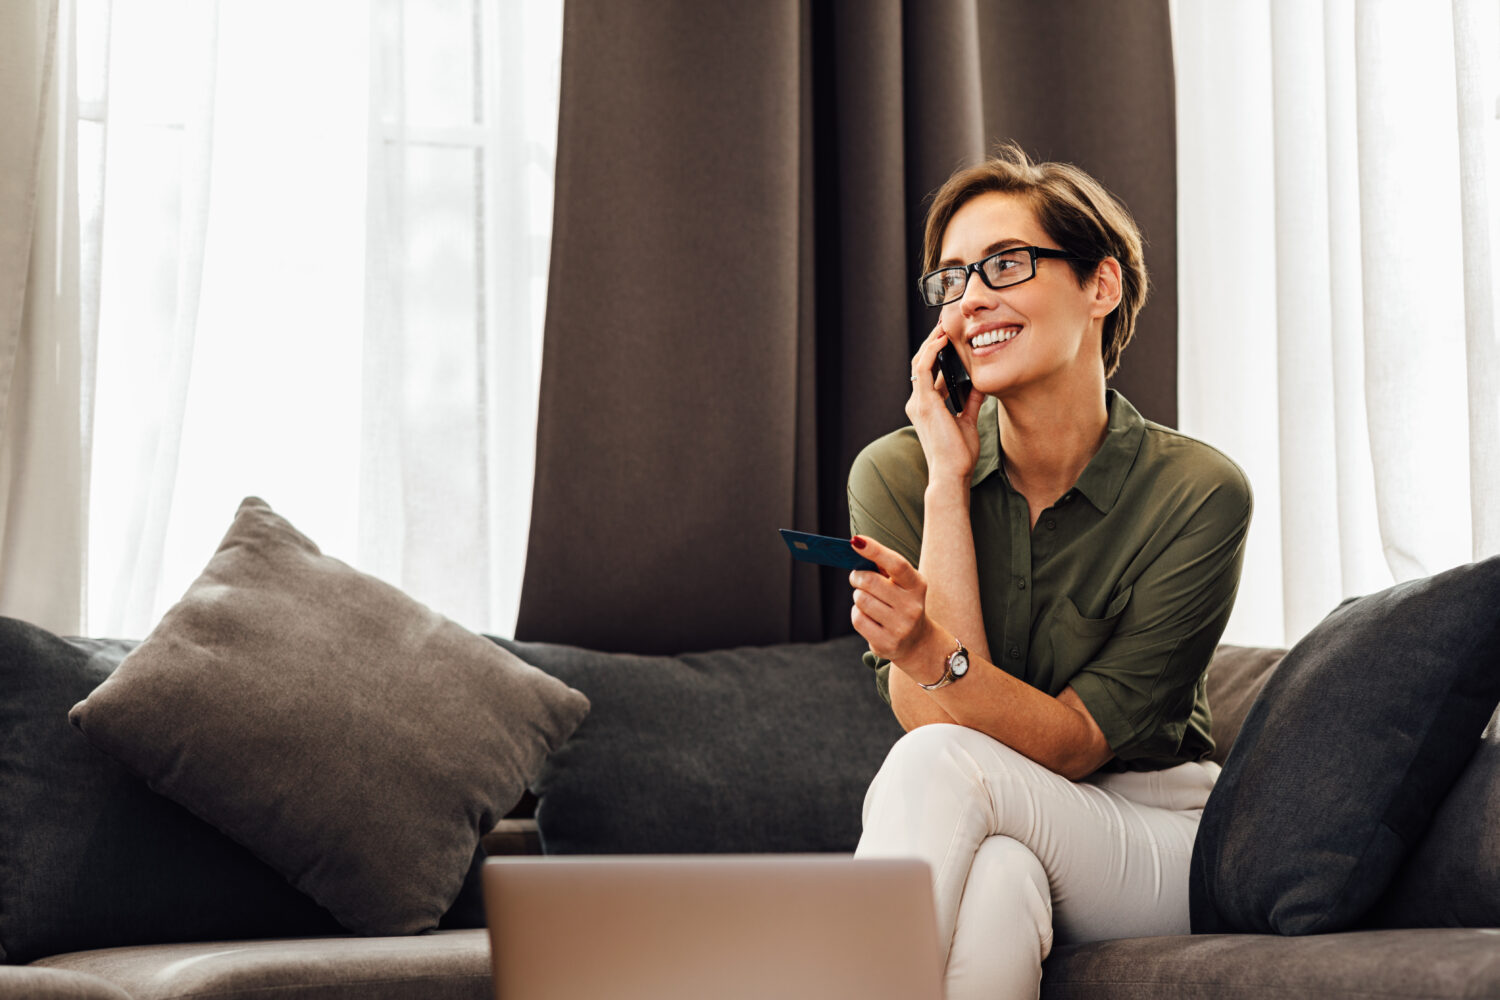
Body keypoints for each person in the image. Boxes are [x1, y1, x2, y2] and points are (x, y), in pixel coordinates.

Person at [845, 144, 1251, 1000]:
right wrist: (949, 485)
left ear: (1099, 286)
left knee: (939, 767)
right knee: (995, 888)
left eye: (1005, 263)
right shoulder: (898, 473)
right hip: (994, 812)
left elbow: (1072, 744)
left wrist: (935, 652)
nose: (972, 298)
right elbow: (928, 719)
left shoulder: (1200, 492)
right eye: (952, 279)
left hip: (1153, 830)